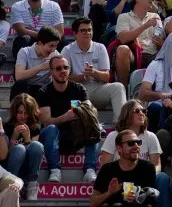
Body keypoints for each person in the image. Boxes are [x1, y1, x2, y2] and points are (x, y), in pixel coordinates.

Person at [38, 55, 101, 185]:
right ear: (51, 72)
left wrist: (85, 109)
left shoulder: (78, 89)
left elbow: (93, 112)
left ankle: (89, 170)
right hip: (54, 137)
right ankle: (55, 170)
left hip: (76, 134)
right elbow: (45, 122)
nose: (63, 71)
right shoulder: (44, 91)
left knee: (94, 126)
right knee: (50, 129)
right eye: (58, 68)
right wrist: (64, 117)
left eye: (66, 67)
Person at [90, 129, 158, 207]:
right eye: (131, 143)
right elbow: (93, 203)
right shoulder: (107, 169)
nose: (136, 146)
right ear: (119, 148)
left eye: (138, 143)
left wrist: (138, 197)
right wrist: (109, 193)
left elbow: (152, 199)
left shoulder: (148, 168)